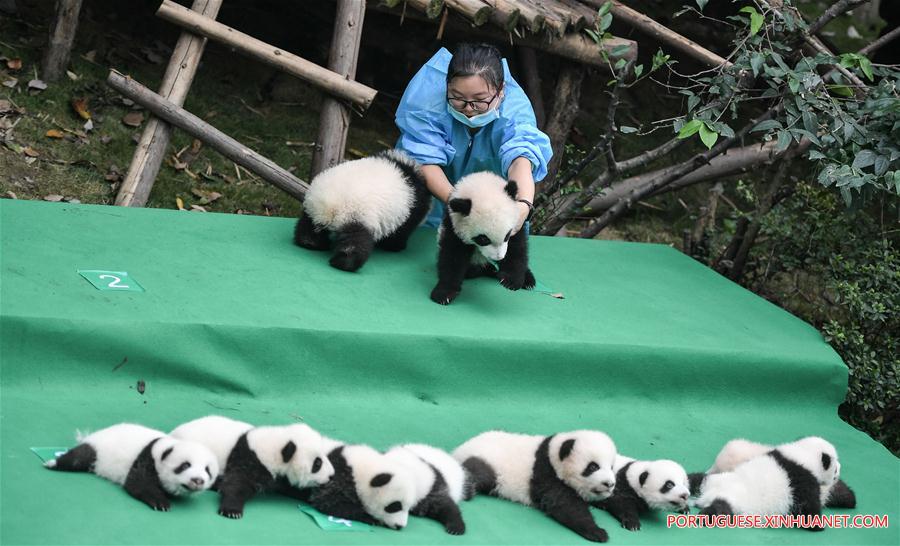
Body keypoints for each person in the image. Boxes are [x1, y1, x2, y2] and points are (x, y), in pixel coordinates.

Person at [395, 43, 553, 229]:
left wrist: (523, 205)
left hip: (491, 212)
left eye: (479, 100)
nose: (469, 108)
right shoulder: (428, 100)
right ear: (447, 87)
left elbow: (521, 159)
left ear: (501, 90)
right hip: (426, 206)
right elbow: (424, 160)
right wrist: (461, 206)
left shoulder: (515, 111)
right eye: (458, 98)